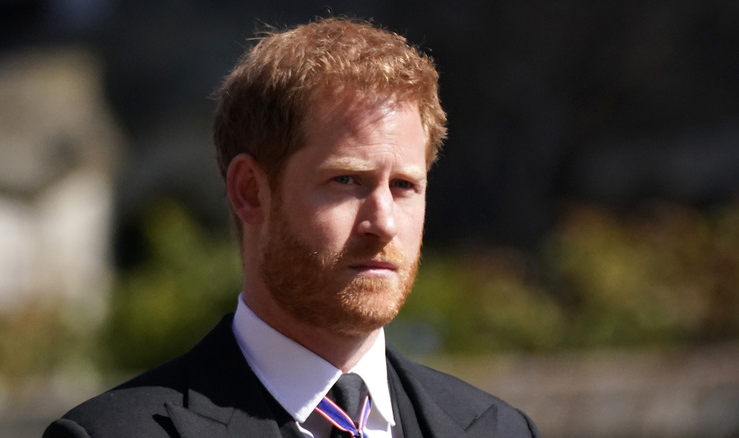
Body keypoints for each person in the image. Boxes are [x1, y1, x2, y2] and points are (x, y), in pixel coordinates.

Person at [44, 17, 541, 438]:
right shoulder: (110, 434)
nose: (383, 221)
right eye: (346, 180)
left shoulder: (501, 429)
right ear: (249, 191)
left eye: (405, 186)